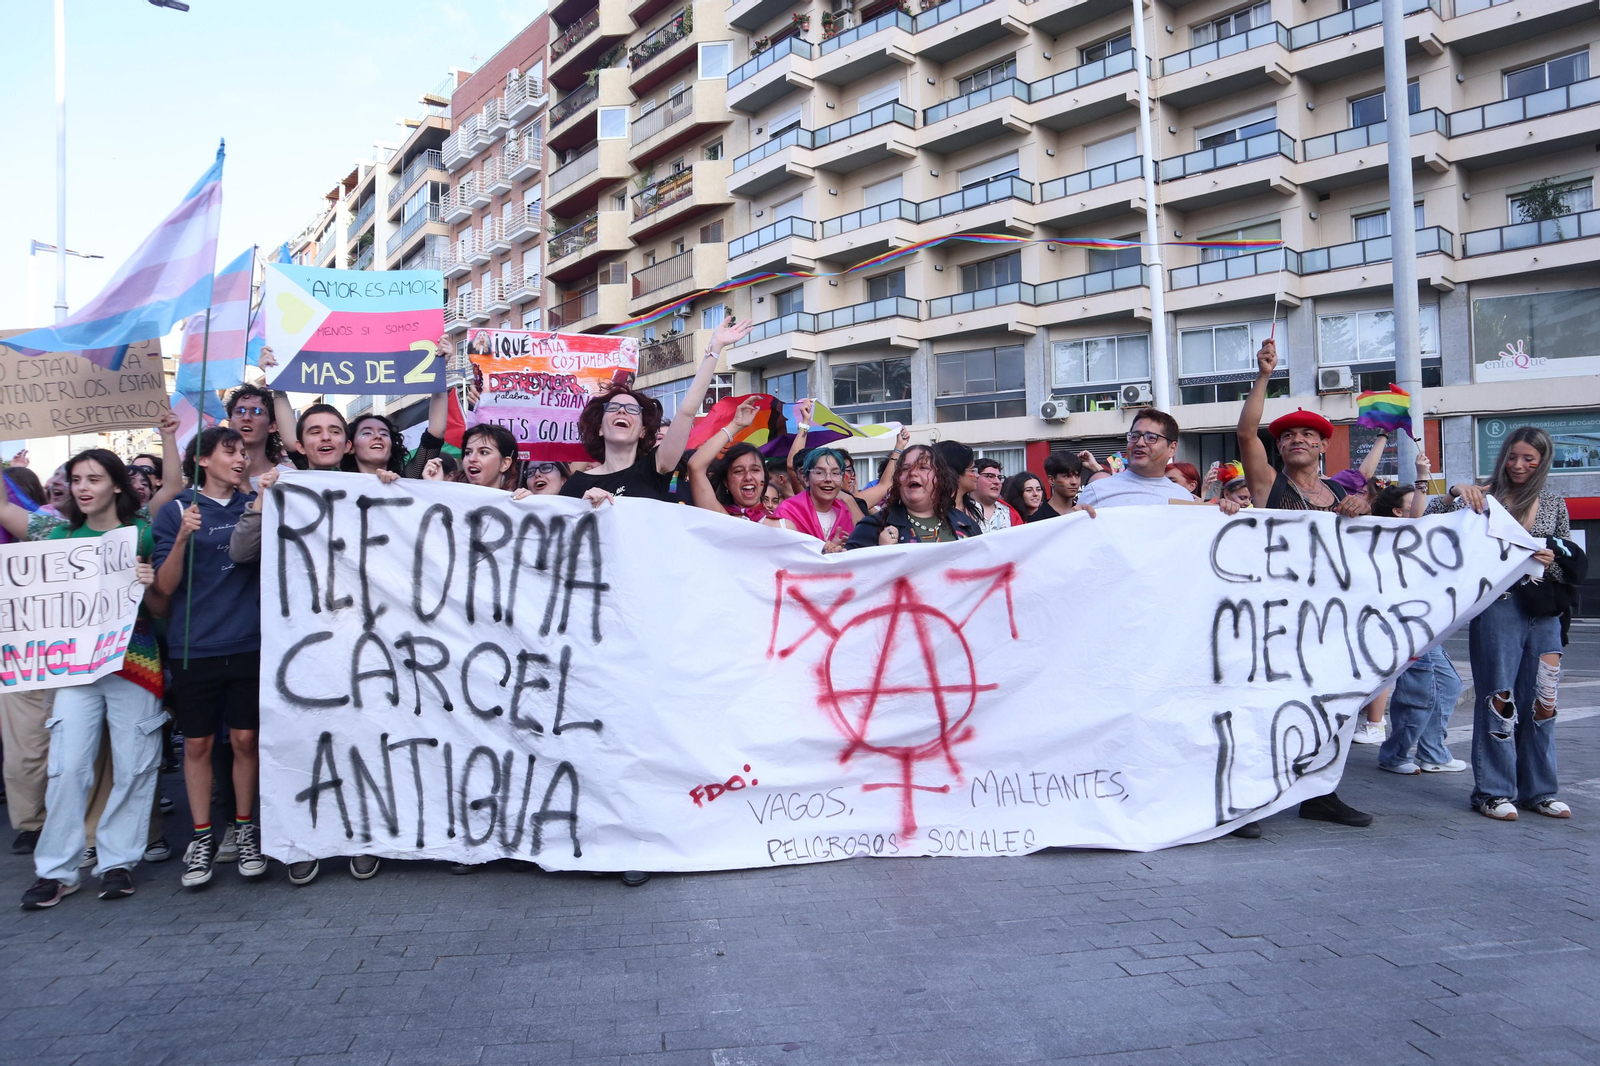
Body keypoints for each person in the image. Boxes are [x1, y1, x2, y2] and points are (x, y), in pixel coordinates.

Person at [20, 450, 167, 909]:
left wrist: (149, 582)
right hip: (75, 669)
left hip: (134, 664)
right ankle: (56, 871)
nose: (83, 488)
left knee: (134, 765)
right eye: (76, 479)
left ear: (117, 486)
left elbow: (161, 607)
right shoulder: (57, 535)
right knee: (66, 768)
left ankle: (117, 862)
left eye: (94, 479)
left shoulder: (141, 533)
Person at [1237, 339, 1373, 829]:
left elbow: (1369, 543)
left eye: (1307, 435)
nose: (1296, 439)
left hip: (1331, 617)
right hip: (1276, 615)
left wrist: (1363, 508)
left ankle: (1321, 791)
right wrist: (1263, 375)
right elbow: (1246, 430)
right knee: (1266, 707)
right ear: (1280, 447)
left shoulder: (1340, 491)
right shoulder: (1269, 485)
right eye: (1288, 435)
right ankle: (1250, 799)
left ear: (1322, 445)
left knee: (1336, 705)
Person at [1428, 427, 1570, 820]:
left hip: (1545, 614)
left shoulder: (1554, 503)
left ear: (1543, 461)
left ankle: (1539, 791)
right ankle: (1493, 792)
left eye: (1529, 458)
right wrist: (1457, 490)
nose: (1519, 465)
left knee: (1543, 703)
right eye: (1512, 456)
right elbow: (1428, 521)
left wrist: (1550, 559)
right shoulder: (1483, 498)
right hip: (1497, 608)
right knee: (1498, 698)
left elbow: (1569, 559)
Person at [153, 427, 266, 888]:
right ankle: (201, 837)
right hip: (193, 647)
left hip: (247, 643)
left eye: (243, 452)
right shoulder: (175, 511)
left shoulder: (256, 505)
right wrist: (181, 538)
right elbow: (162, 588)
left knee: (244, 741)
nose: (240, 459)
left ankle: (245, 829)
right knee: (197, 745)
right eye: (229, 451)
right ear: (201, 460)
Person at [564, 319, 752, 510]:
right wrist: (582, 509)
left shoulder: (654, 469)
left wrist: (715, 348)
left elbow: (687, 412)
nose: (622, 411)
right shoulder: (575, 485)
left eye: (632, 410)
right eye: (613, 408)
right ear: (600, 429)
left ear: (643, 432)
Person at [1370, 452, 1466, 776]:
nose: (1424, 508)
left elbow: (1433, 515)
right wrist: (1422, 476)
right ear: (1399, 511)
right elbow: (1419, 519)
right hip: (1401, 623)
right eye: (1415, 501)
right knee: (1418, 691)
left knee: (1449, 683)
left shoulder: (1420, 535)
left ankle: (1433, 753)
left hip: (1426, 624)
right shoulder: (1390, 535)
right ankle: (1395, 754)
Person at [1076, 410, 1238, 512]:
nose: (1140, 443)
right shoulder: (1097, 492)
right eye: (1134, 436)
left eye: (1151, 438)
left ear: (1172, 448)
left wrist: (1226, 513)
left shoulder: (1183, 498)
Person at [845, 445, 981, 548]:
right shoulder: (872, 527)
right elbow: (851, 578)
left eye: (923, 467)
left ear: (940, 478)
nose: (912, 473)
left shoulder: (967, 525)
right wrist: (882, 554)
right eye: (905, 469)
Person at [686, 398, 771, 520]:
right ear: (726, 482)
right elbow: (695, 466)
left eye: (755, 470)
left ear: (765, 477)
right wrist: (735, 425)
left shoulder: (783, 524)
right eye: (738, 471)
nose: (748, 477)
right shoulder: (720, 518)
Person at [773, 447, 855, 551]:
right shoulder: (787, 511)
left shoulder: (845, 512)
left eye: (835, 473)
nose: (828, 479)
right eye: (819, 472)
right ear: (806, 479)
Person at [224, 384, 296, 491]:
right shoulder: (212, 479)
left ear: (272, 426)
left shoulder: (288, 478)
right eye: (240, 411)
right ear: (230, 423)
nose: (246, 418)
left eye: (256, 412)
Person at [425, 423, 520, 490]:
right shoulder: (452, 500)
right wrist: (435, 488)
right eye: (468, 453)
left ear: (505, 463)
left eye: (483, 452)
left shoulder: (519, 504)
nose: (472, 459)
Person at [933, 441, 984, 529]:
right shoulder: (931, 511)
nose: (977, 475)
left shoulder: (975, 508)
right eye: (972, 470)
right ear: (956, 473)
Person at [344, 413, 408, 478]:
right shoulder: (337, 485)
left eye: (384, 434)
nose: (378, 436)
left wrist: (397, 484)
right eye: (367, 433)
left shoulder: (408, 482)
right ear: (351, 448)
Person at [970, 458, 1023, 533]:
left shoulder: (1010, 513)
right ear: (975, 477)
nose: (997, 482)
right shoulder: (960, 510)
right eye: (990, 476)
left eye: (999, 478)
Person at [1028, 453, 1083, 521]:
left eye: (1077, 476)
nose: (1074, 482)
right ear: (1051, 480)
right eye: (1067, 476)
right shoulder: (1037, 520)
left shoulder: (1082, 512)